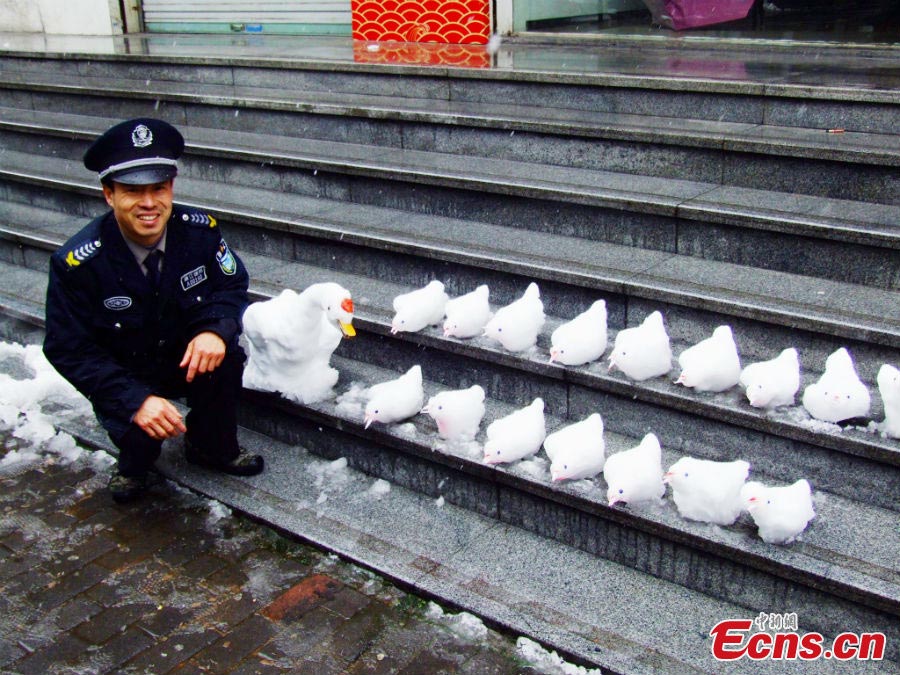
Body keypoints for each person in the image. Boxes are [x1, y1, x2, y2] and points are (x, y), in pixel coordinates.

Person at [44, 117, 264, 504]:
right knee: (138, 442)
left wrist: (216, 329)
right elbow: (67, 347)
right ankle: (133, 463)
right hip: (126, 370)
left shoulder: (200, 231)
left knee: (226, 355)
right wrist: (135, 400)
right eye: (132, 191)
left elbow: (231, 284)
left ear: (171, 187)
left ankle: (210, 447)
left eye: (158, 189)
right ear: (108, 195)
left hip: (186, 356)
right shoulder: (78, 264)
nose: (149, 203)